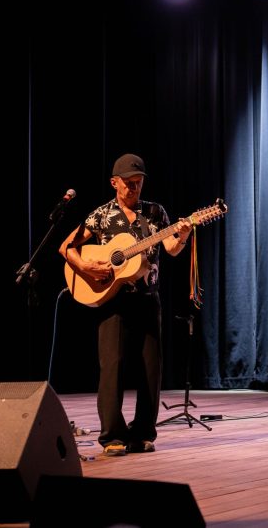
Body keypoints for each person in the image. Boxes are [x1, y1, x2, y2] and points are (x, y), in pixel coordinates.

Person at [59, 153, 192, 456]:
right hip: (112, 300)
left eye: (138, 183)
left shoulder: (155, 213)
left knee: (150, 369)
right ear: (114, 183)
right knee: (113, 368)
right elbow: (67, 247)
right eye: (128, 184)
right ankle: (113, 437)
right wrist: (87, 268)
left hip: (147, 299)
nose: (133, 189)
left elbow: (170, 248)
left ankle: (143, 433)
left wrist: (182, 236)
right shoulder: (102, 215)